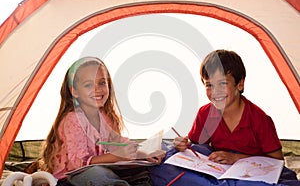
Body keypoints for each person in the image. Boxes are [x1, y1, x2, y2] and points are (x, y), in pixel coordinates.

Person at [149, 49, 299, 186]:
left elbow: (277, 161)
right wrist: (182, 144)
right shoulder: (206, 114)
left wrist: (236, 158)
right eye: (209, 85)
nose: (215, 92)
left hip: (249, 173)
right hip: (218, 170)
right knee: (165, 161)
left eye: (222, 83)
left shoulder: (260, 120)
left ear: (240, 84)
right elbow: (195, 146)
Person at [41, 57, 165, 186]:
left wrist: (143, 154)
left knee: (151, 163)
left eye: (102, 83)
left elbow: (118, 144)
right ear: (74, 92)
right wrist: (116, 156)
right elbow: (76, 164)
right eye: (88, 85)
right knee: (97, 175)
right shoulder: (72, 120)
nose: (97, 89)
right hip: (71, 177)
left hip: (102, 170)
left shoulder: (106, 117)